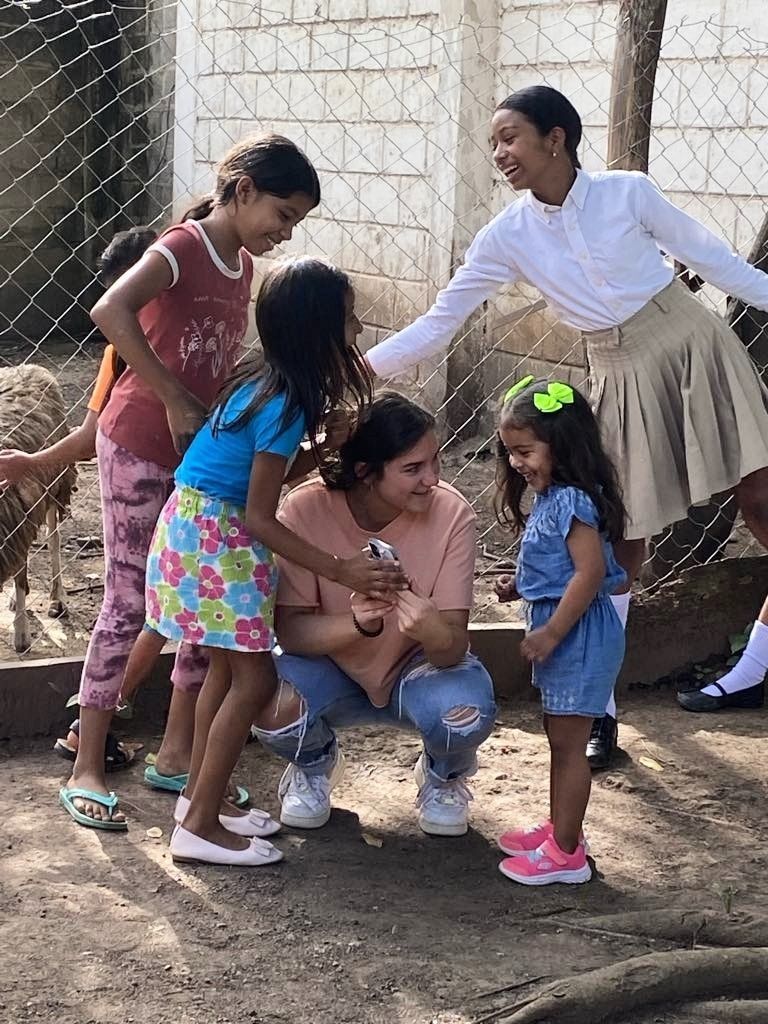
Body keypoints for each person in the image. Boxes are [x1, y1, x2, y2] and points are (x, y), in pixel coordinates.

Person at [364, 85, 768, 768]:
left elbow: (718, 263)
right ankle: (597, 712)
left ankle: (754, 668)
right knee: (620, 543)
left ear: (557, 138)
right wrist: (356, 372)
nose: (500, 153)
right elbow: (441, 320)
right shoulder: (508, 235)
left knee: (761, 503)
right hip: (619, 373)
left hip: (696, 348)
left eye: (511, 137)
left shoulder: (627, 194)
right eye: (495, 142)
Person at [58, 133, 321, 830]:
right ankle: (87, 759)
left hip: (197, 458)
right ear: (240, 190)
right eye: (282, 213)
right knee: (127, 601)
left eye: (296, 221)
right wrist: (174, 396)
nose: (283, 231)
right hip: (139, 442)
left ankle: (178, 756)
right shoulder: (182, 247)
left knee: (207, 606)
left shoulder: (240, 265)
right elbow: (109, 309)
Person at [147, 257, 404, 867]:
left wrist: (320, 453)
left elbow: (261, 480)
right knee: (255, 680)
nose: (360, 329)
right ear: (317, 329)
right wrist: (341, 569)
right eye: (348, 319)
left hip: (198, 528)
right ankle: (201, 827)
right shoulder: (287, 401)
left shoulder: (263, 380)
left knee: (225, 673)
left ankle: (196, 801)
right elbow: (262, 514)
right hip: (221, 542)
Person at [250, 392, 497, 839]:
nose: (432, 479)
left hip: (419, 670)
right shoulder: (305, 508)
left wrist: (432, 630)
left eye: (435, 461)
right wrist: (359, 624)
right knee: (264, 701)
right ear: (365, 473)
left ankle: (443, 775)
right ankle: (315, 763)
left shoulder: (453, 512)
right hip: (330, 666)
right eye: (413, 468)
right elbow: (291, 632)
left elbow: (454, 646)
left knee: (465, 713)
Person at [0, 227, 163, 764]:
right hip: (136, 486)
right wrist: (35, 462)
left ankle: (142, 731)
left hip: (193, 493)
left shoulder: (202, 339)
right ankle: (94, 728)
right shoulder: (118, 353)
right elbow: (92, 435)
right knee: (132, 603)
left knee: (172, 608)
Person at [494, 376, 626, 884]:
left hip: (579, 636)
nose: (516, 463)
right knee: (559, 739)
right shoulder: (554, 497)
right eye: (510, 452)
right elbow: (559, 569)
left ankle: (567, 855)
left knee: (569, 745)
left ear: (561, 443)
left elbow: (589, 574)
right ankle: (561, 829)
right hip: (567, 630)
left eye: (524, 450)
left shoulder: (573, 501)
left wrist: (550, 633)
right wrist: (520, 586)